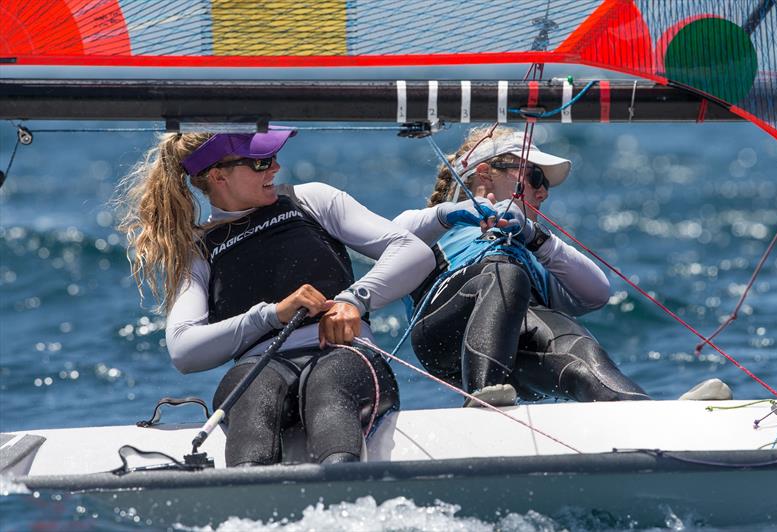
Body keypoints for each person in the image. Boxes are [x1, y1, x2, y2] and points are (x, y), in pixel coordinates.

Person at [116, 130, 435, 466]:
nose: (276, 167)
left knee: (329, 384)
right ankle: (248, 498)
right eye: (261, 162)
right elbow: (184, 350)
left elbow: (411, 250)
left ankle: (343, 481)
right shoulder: (197, 251)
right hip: (261, 369)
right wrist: (270, 316)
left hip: (342, 357)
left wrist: (354, 300)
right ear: (217, 175)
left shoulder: (311, 200)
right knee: (250, 389)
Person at [393, 126, 649, 406]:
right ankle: (481, 400)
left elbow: (597, 294)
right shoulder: (435, 228)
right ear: (485, 174)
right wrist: (449, 214)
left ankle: (641, 411)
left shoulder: (533, 253)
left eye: (545, 185)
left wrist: (537, 238)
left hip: (518, 356)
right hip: (444, 339)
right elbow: (388, 239)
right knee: (506, 274)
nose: (543, 193)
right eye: (534, 177)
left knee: (582, 352)